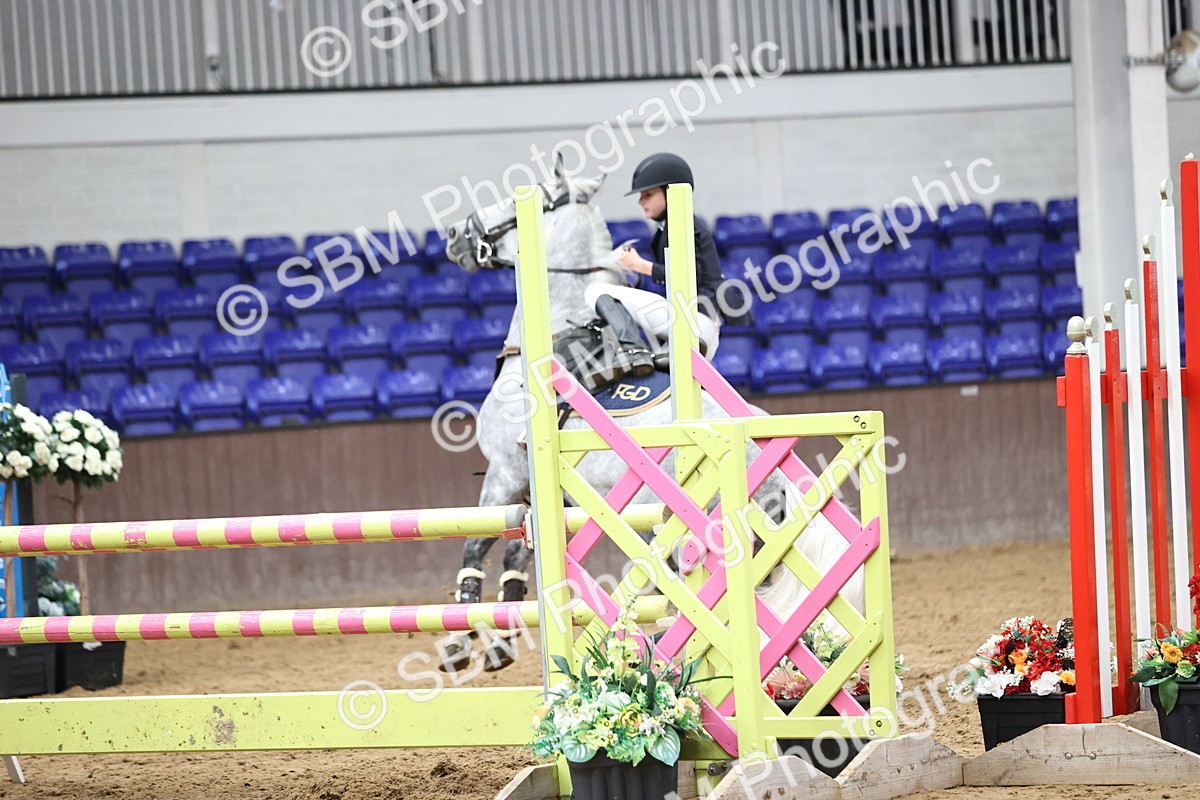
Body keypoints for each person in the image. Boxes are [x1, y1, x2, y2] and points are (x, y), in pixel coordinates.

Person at [586, 153, 725, 382]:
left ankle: (635, 353)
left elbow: (691, 276)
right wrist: (636, 278)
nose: (641, 201)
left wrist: (639, 265)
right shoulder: (671, 226)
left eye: (648, 194)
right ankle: (648, 353)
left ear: (670, 193)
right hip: (693, 326)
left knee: (595, 292)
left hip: (693, 322)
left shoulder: (684, 224)